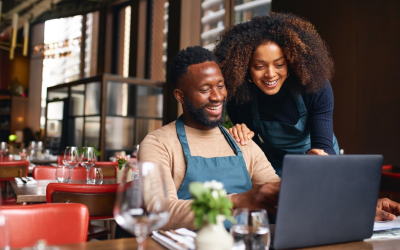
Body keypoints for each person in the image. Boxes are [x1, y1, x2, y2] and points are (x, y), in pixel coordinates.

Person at [138, 46, 400, 230]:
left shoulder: (241, 142)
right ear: (180, 96)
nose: (217, 97)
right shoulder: (158, 143)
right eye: (205, 90)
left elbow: (289, 197)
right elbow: (160, 211)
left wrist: (358, 207)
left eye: (220, 86)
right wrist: (241, 200)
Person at [214, 13, 339, 176]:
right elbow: (255, 156)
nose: (271, 74)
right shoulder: (240, 99)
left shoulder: (315, 88)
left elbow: (324, 145)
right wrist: (240, 138)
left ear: (291, 63)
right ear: (245, 68)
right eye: (259, 66)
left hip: (319, 162)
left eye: (279, 64)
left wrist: (317, 156)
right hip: (275, 167)